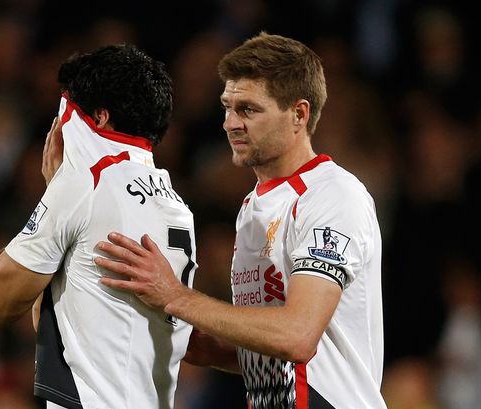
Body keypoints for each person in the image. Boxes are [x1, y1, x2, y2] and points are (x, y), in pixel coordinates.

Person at [94, 32, 387, 409]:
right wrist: (159, 324)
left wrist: (177, 296)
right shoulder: (253, 205)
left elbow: (297, 336)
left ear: (299, 114)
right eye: (227, 107)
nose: (230, 123)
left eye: (248, 109)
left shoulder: (331, 195)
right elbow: (258, 351)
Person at [0, 44, 197, 409]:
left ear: (97, 118)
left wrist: (54, 192)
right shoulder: (177, 204)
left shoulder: (87, 185)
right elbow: (58, 323)